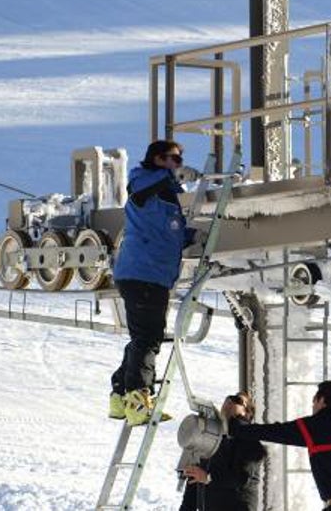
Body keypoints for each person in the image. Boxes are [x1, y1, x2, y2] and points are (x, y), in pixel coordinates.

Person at [108, 140, 195, 426]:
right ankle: (138, 397)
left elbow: (166, 230)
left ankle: (121, 395)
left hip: (145, 272)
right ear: (159, 160)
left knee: (141, 336)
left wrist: (187, 236)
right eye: (175, 159)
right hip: (146, 272)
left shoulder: (163, 194)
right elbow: (140, 195)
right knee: (148, 338)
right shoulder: (146, 184)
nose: (179, 164)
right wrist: (169, 179)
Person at [228, 380, 331, 510]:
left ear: (321, 400)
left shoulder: (317, 425)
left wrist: (238, 425)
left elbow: (275, 432)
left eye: (314, 400)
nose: (312, 405)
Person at [179, 391, 266, 511]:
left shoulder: (250, 441)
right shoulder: (211, 440)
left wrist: (208, 477)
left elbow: (242, 478)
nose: (230, 401)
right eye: (228, 398)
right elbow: (194, 481)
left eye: (237, 400)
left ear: (247, 413)